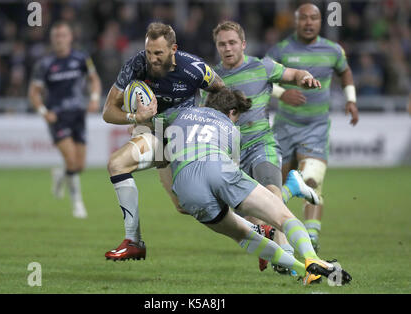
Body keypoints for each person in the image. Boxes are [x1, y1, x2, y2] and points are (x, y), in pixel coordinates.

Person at [166, 88, 352, 286]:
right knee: (282, 216)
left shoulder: (180, 115)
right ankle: (311, 257)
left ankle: (301, 270)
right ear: (232, 112)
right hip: (217, 165)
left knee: (242, 235)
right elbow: (231, 187)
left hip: (185, 185)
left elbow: (158, 138)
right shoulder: (231, 129)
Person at [102, 22, 225, 261]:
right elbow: (108, 111)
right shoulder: (136, 65)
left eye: (158, 53)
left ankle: (254, 227)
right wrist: (135, 117)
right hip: (157, 133)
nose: (152, 59)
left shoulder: (195, 68)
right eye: (149, 52)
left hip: (185, 137)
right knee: (117, 164)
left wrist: (207, 121)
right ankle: (133, 242)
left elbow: (223, 92)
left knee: (186, 205)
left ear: (173, 49)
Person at [210, 21, 320, 273]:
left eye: (232, 43)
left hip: (262, 144)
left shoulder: (261, 66)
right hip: (232, 153)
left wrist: (305, 78)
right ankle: (292, 186)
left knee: (271, 192)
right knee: (252, 215)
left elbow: (292, 74)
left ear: (243, 44)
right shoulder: (213, 78)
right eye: (222, 44)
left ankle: (286, 252)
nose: (227, 48)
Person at [267, 3, 359, 251]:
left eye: (314, 18)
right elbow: (261, 78)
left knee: (311, 180)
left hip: (316, 128)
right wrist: (282, 94)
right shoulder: (282, 50)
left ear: (320, 22)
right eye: (304, 18)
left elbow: (346, 72)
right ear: (295, 22)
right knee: (280, 185)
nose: (309, 23)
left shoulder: (333, 50)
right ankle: (283, 238)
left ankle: (312, 238)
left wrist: (351, 100)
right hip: (285, 128)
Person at [28, 21, 102, 219]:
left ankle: (60, 175)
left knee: (79, 166)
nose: (60, 39)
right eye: (56, 36)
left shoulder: (81, 58)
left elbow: (94, 80)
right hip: (57, 117)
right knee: (70, 160)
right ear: (52, 39)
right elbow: (34, 93)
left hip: (78, 115)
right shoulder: (45, 64)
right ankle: (77, 204)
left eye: (63, 35)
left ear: (70, 37)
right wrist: (44, 112)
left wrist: (94, 99)